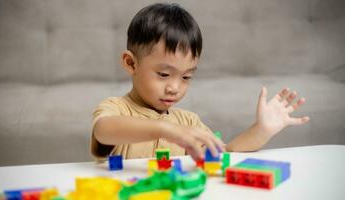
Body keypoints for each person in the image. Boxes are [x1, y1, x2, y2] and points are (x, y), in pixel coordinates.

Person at [91, 3, 309, 162]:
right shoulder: (116, 110)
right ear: (131, 63)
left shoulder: (189, 122)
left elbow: (225, 152)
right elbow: (103, 130)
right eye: (164, 74)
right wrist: (166, 130)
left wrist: (261, 130)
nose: (175, 88)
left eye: (186, 77)